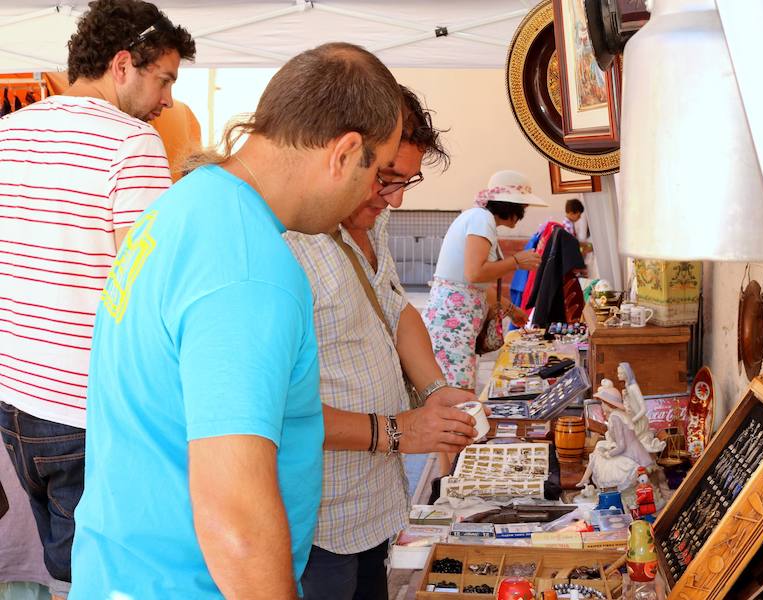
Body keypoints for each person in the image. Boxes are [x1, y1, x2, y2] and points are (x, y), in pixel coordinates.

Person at [69, 43, 403, 599]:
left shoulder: (185, 203)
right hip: (190, 583)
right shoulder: (250, 269)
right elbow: (236, 522)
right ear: (345, 152)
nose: (373, 193)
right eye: (377, 170)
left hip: (125, 566)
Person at [0, 2, 195, 597]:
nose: (166, 100)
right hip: (89, 404)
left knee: (71, 564)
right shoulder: (132, 143)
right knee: (113, 569)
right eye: (163, 79)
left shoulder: (8, 133)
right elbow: (146, 290)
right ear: (122, 64)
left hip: (13, 394)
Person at [285, 86, 479, 600]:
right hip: (315, 522)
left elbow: (395, 308)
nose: (394, 197)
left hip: (371, 504)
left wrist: (435, 389)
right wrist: (397, 432)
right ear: (344, 153)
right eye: (387, 179)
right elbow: (277, 409)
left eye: (404, 181)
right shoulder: (285, 243)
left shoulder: (376, 214)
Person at [424, 170, 546, 391]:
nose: (524, 213)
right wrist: (516, 261)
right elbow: (475, 273)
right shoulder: (482, 219)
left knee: (458, 392)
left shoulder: (479, 218)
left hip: (455, 322)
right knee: (459, 395)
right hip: (452, 324)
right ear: (512, 206)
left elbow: (475, 285)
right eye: (523, 207)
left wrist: (512, 310)